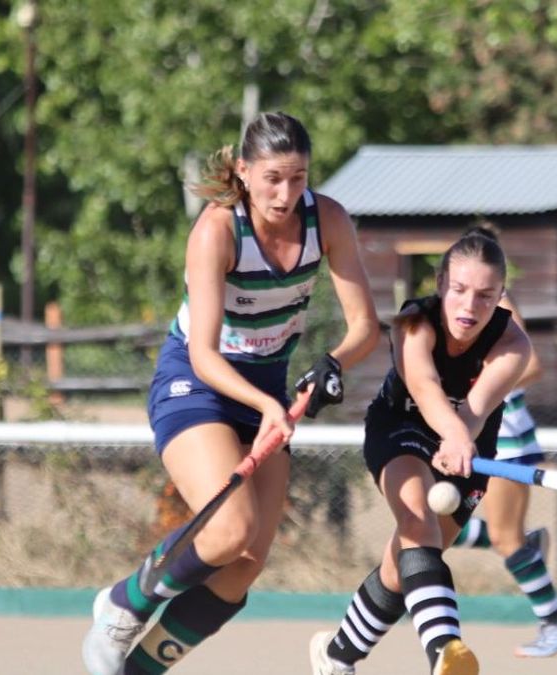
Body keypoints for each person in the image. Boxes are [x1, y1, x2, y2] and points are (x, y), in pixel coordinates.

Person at [82, 111, 379, 675]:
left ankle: (139, 671)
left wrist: (332, 364)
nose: (286, 194)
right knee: (228, 529)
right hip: (197, 385)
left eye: (298, 178)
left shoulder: (328, 220)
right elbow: (204, 354)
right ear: (244, 171)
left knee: (246, 563)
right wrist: (269, 405)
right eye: (272, 178)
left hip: (268, 388)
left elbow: (366, 328)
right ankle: (124, 604)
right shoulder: (217, 231)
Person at [309, 230, 531, 675]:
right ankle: (446, 651)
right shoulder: (413, 322)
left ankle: (335, 657)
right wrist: (451, 433)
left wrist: (459, 437)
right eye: (460, 290)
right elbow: (425, 388)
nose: (470, 307)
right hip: (401, 426)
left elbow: (478, 406)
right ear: (440, 282)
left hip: (470, 440)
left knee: (406, 562)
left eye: (486, 296)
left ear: (501, 296)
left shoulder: (513, 344)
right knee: (416, 520)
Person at [446, 228, 557, 658]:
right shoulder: (461, 308)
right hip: (482, 437)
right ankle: (530, 548)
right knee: (438, 526)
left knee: (503, 538)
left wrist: (472, 394)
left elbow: (532, 365)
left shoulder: (498, 304)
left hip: (502, 438)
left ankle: (556, 620)